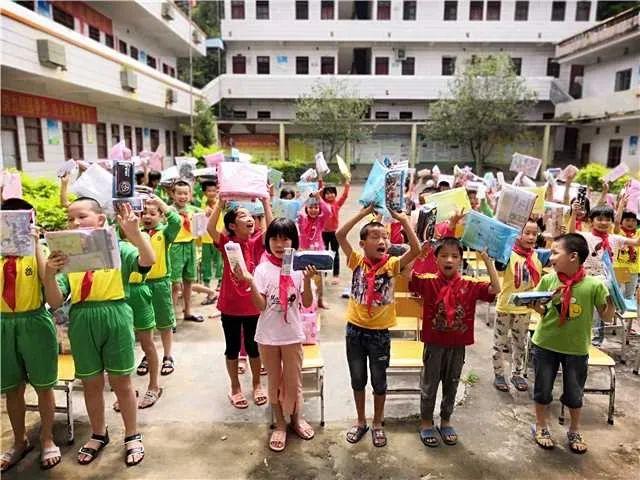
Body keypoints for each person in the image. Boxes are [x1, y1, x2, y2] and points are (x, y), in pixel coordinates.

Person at [43, 198, 154, 467]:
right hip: (81, 318)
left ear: (100, 220)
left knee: (121, 382)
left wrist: (136, 235)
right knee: (91, 382)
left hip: (115, 314)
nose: (74, 223)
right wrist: (49, 273)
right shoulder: (66, 260)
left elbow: (148, 259)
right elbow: (57, 302)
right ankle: (98, 433)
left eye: (81, 216)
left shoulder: (120, 249)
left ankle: (132, 434)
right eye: (70, 219)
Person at [336, 204, 420, 447]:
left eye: (384, 236)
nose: (381, 240)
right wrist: (362, 214)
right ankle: (361, 421)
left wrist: (403, 221)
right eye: (375, 236)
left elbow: (414, 249)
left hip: (380, 335)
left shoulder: (391, 265)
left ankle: (378, 423)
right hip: (355, 331)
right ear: (363, 243)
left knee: (379, 380)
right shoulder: (356, 262)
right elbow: (340, 234)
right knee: (357, 378)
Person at [410, 238, 500, 448]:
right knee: (429, 384)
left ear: (461, 260)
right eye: (443, 255)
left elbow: (495, 289)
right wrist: (419, 254)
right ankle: (425, 422)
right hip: (434, 344)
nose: (449, 259)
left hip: (457, 345)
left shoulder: (469, 285)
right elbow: (406, 273)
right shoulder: (428, 281)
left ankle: (446, 420)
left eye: (455, 256)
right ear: (436, 258)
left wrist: (487, 261)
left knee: (452, 383)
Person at [237, 218, 316, 452]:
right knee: (274, 382)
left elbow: (308, 303)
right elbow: (260, 306)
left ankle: (297, 419)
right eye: (274, 239)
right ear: (268, 241)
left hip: (292, 335)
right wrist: (251, 282)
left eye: (285, 238)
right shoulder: (261, 270)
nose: (280, 244)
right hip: (268, 337)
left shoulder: (301, 268)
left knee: (294, 382)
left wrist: (309, 281)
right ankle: (280, 425)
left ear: (294, 241)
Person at [530, 233, 613, 454]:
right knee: (543, 389)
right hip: (545, 344)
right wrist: (535, 304)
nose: (551, 256)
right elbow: (541, 310)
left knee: (574, 393)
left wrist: (613, 299)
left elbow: (606, 316)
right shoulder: (548, 279)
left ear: (574, 256)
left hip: (576, 349)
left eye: (556, 252)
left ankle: (574, 429)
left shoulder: (593, 285)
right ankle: (541, 425)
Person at [0, 198, 61, 471]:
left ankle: (47, 438)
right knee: (12, 388)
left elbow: (52, 297)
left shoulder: (39, 251)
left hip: (34, 322)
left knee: (43, 386)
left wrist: (35, 244)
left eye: (26, 220)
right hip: (3, 325)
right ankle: (19, 440)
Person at [206, 196, 273, 409]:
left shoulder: (257, 242)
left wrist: (265, 202)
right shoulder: (227, 243)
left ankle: (256, 384)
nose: (250, 218)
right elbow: (210, 228)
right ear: (233, 226)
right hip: (230, 306)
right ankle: (235, 387)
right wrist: (219, 204)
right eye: (243, 215)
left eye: (250, 215)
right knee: (232, 348)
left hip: (254, 304)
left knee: (254, 349)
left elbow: (271, 230)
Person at [569, 203, 640, 345]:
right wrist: (573, 214)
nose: (604, 222)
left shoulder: (615, 239)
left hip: (605, 283)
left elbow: (637, 242)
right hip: (585, 280)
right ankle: (579, 337)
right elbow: (572, 233)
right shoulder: (586, 236)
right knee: (582, 310)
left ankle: (596, 340)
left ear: (612, 222)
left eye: (607, 219)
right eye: (599, 219)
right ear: (591, 221)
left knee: (600, 311)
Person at [135, 195, 182, 379]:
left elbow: (176, 222)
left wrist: (161, 203)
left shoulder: (165, 233)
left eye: (153, 213)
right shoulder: (136, 233)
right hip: (140, 284)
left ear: (161, 217)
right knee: (144, 324)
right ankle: (148, 355)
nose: (147, 216)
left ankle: (167, 355)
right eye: (144, 213)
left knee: (165, 322)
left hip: (160, 283)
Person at [493, 219, 542, 393]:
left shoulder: (537, 256)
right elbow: (498, 265)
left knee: (520, 343)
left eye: (534, 233)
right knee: (499, 343)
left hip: (525, 309)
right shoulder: (507, 254)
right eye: (526, 233)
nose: (530, 237)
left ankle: (517, 373)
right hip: (505, 307)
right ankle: (499, 374)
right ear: (516, 235)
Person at [169, 180, 204, 323]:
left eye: (185, 193)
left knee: (188, 280)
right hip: (175, 247)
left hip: (190, 245)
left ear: (190, 195)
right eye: (179, 193)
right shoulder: (169, 210)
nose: (182, 196)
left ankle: (188, 311)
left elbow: (203, 219)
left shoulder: (193, 210)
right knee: (175, 283)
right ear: (173, 194)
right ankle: (171, 316)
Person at [298, 192, 331, 308]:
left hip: (318, 253)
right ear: (306, 208)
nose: (313, 210)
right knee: (304, 276)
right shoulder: (302, 219)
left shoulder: (320, 220)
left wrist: (319, 198)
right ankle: (304, 299)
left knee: (319, 278)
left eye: (316, 207)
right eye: (310, 207)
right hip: (304, 252)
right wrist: (303, 199)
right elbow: (299, 212)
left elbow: (327, 211)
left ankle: (320, 300)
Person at [319, 178, 351, 284]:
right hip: (323, 232)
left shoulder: (337, 204)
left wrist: (347, 185)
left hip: (334, 233)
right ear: (324, 195)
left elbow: (345, 196)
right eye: (327, 193)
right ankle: (324, 273)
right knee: (324, 253)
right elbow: (318, 193)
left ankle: (336, 275)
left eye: (332, 192)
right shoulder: (322, 203)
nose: (330, 195)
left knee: (335, 253)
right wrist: (320, 182)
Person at [200, 180, 223, 304]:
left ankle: (220, 283)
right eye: (209, 191)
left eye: (214, 190)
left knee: (219, 261)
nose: (211, 193)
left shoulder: (221, 203)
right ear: (204, 192)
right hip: (205, 238)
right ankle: (207, 285)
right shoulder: (202, 203)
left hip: (218, 237)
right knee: (206, 263)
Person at [613, 199, 639, 299]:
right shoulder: (619, 232)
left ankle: (626, 314)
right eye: (627, 220)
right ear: (622, 221)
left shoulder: (638, 234)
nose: (631, 223)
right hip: (620, 267)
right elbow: (616, 222)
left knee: (629, 295)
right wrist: (621, 206)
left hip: (633, 270)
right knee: (617, 293)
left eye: (633, 220)